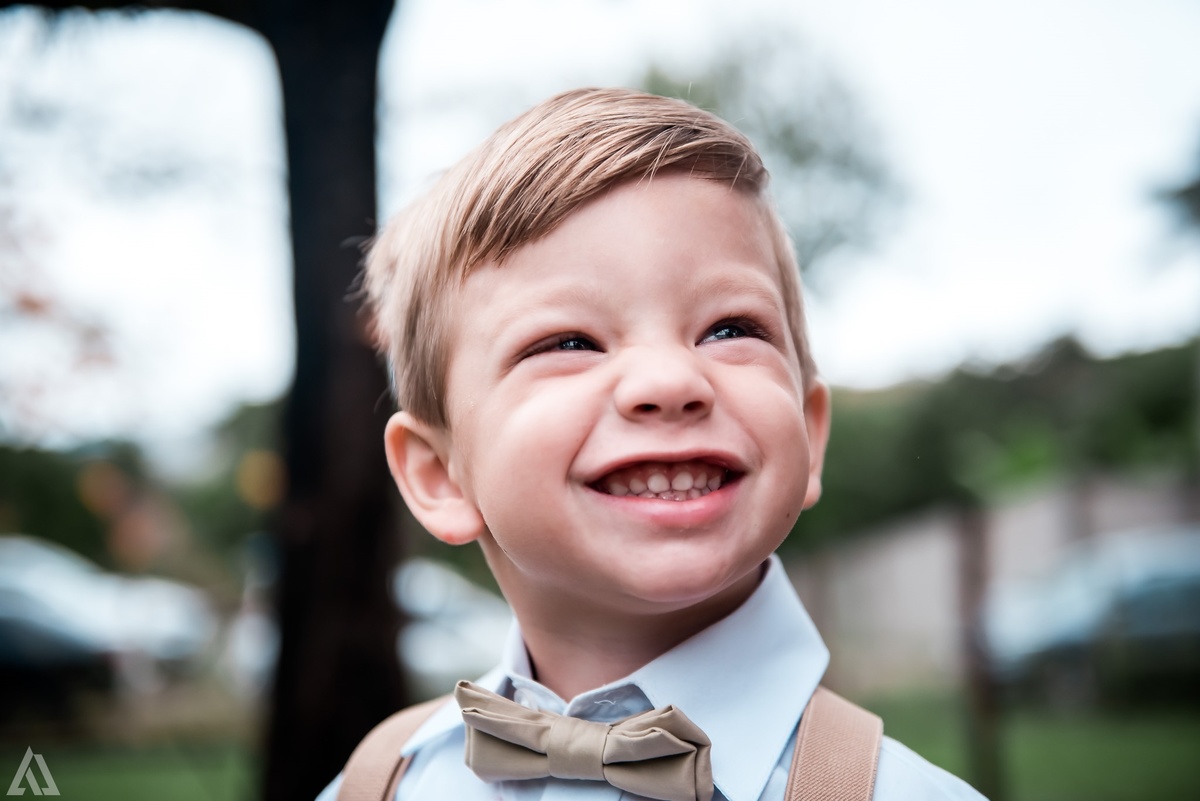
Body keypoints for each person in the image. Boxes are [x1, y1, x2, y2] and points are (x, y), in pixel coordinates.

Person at [317, 87, 986, 801]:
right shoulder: (375, 785)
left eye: (731, 329)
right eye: (569, 341)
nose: (670, 380)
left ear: (809, 432)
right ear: (440, 477)